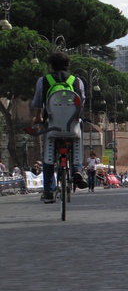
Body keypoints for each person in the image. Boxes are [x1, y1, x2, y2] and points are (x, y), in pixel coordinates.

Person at [31, 51, 86, 204]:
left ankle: (48, 191)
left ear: (51, 66)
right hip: (72, 127)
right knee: (77, 140)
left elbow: (37, 104)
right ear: (68, 65)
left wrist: (38, 117)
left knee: (48, 155)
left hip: (52, 127)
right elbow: (81, 103)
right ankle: (77, 170)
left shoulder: (43, 80)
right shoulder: (77, 81)